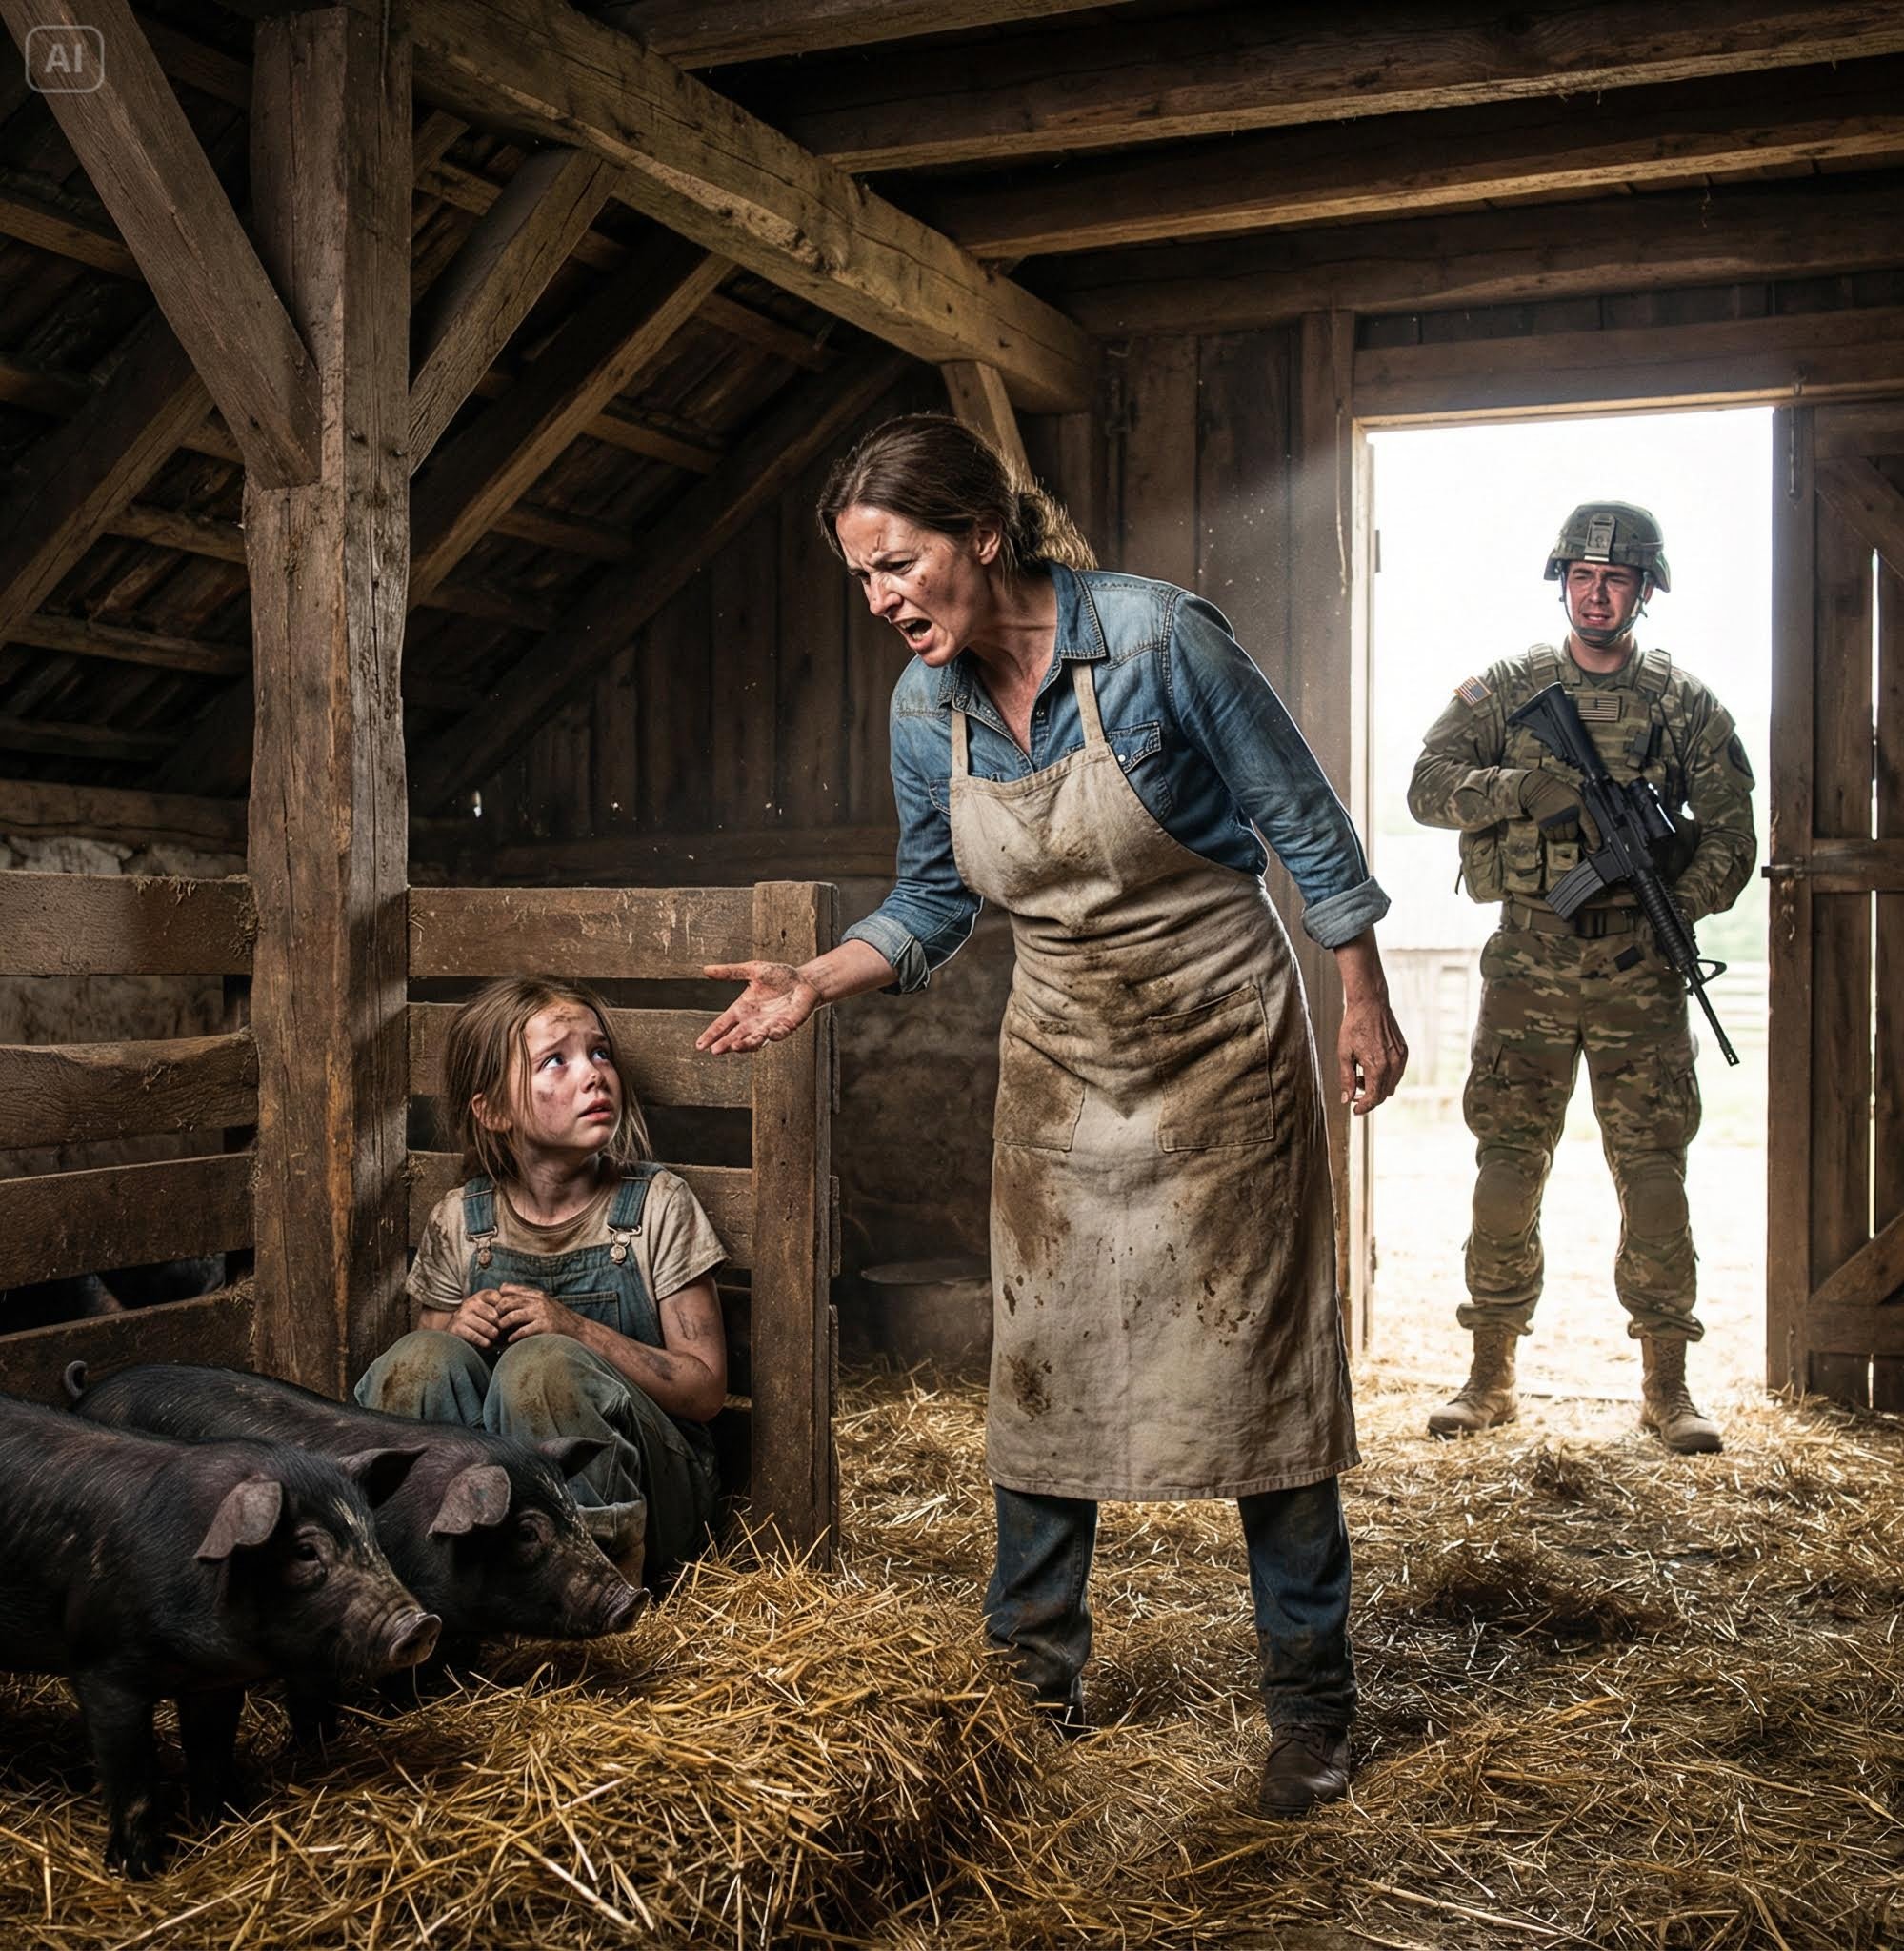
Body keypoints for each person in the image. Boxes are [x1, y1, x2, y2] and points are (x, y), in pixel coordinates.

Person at [697, 413, 1407, 1818]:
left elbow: (1303, 821)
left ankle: (1310, 1710)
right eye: (862, 580)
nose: (886, 600)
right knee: (1040, 1373)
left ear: (983, 535)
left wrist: (1361, 997)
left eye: (900, 564)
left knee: (1264, 1380)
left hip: (1222, 1044)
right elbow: (935, 899)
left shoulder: (1159, 640)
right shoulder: (925, 711)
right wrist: (817, 981)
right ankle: (1032, 1684)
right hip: (1064, 1063)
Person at [1408, 501, 1757, 1455]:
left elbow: (1731, 836)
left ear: (1643, 589)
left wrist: (1671, 907)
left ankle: (1666, 1384)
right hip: (1527, 958)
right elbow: (1425, 784)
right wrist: (1518, 789)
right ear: (1560, 580)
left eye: (1614, 578)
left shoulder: (1683, 705)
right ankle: (1487, 1375)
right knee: (1505, 1166)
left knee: (1651, 1172)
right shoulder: (1512, 687)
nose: (1594, 592)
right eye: (1580, 576)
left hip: (1635, 967)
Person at [356, 977, 729, 1588]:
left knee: (545, 1366)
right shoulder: (460, 1221)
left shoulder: (657, 1206)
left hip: (655, 1497)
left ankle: (599, 1587)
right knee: (421, 1359)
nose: (594, 1075)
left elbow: (706, 1390)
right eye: (556, 1060)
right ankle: (423, 1578)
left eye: (600, 1052)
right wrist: (458, 1327)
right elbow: (425, 1379)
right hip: (503, 1509)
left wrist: (575, 1329)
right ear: (493, 1111)